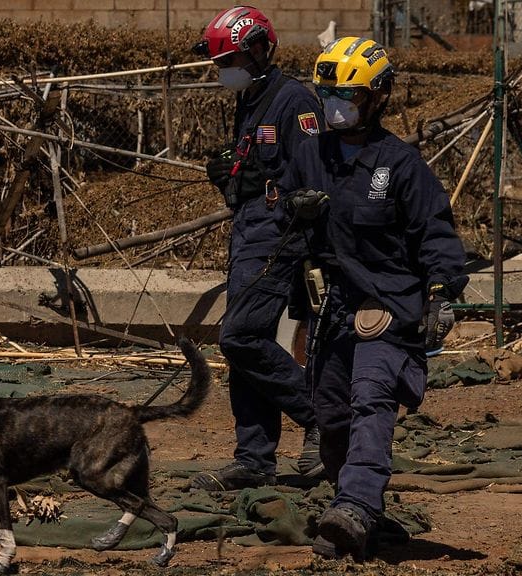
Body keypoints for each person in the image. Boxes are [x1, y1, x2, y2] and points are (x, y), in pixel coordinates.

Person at [279, 37, 468, 559]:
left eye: (348, 95)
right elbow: (280, 214)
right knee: (331, 412)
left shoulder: (401, 165)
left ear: (378, 96)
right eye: (328, 94)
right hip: (332, 308)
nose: (336, 105)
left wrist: (440, 291)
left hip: (388, 303)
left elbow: (436, 234)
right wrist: (294, 211)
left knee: (371, 398)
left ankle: (357, 507)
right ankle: (353, 501)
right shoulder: (310, 155)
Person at [188, 5, 324, 491]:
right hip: (248, 235)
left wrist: (291, 209)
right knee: (247, 347)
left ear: (261, 50)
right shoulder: (250, 100)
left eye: (232, 62)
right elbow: (261, 173)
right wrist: (233, 180)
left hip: (279, 239)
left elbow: (312, 184)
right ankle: (254, 458)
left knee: (239, 338)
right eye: (221, 65)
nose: (226, 73)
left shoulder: (295, 102)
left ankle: (321, 416)